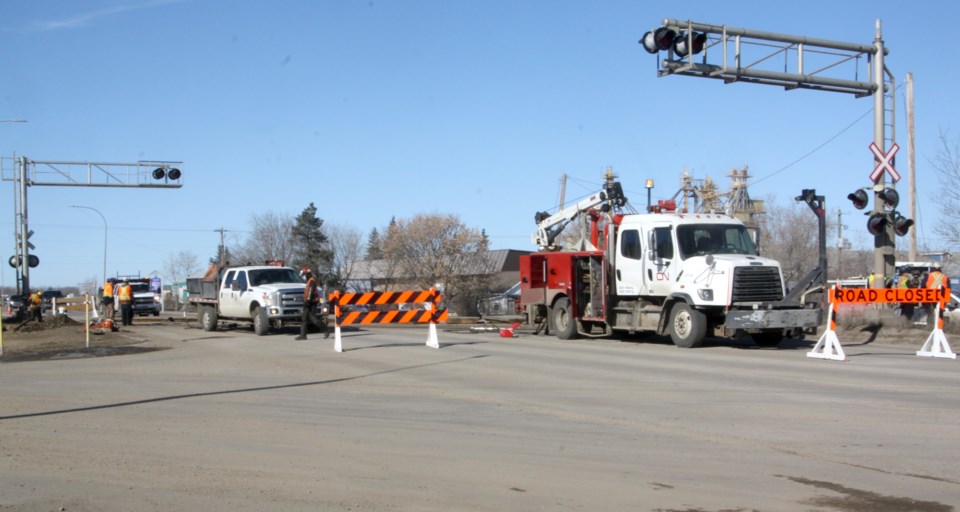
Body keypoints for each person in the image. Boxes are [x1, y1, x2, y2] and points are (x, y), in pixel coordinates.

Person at [295, 268, 328, 340]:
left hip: (311, 303)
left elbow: (311, 291)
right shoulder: (309, 281)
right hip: (308, 302)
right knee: (304, 318)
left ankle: (325, 329)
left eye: (303, 275)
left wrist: (308, 300)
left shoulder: (312, 281)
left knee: (313, 319)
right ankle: (303, 335)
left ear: (307, 274)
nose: (303, 277)